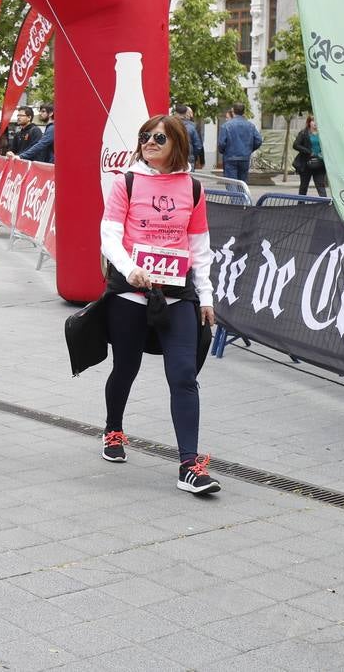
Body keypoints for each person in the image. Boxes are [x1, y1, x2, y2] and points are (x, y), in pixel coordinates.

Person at [100, 114, 220, 494]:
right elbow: (109, 234)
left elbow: (200, 248)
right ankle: (114, 429)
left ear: (177, 145)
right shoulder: (127, 181)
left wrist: (206, 296)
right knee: (126, 367)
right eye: (144, 137)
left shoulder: (193, 189)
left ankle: (189, 464)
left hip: (178, 292)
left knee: (184, 375)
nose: (149, 142)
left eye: (159, 138)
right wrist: (130, 268)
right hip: (131, 292)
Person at [217, 102, 262, 183]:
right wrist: (249, 150)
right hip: (244, 158)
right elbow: (258, 140)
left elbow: (221, 144)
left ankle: (235, 196)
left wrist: (224, 151)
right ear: (244, 112)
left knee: (231, 183)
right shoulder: (250, 125)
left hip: (230, 157)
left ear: (233, 111)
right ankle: (241, 196)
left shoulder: (226, 126)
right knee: (242, 184)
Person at [292, 115, 327, 197]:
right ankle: (300, 206)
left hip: (320, 164)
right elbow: (295, 145)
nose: (315, 123)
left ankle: (325, 206)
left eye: (317, 120)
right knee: (303, 187)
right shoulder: (304, 133)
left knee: (321, 186)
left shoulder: (323, 133)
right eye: (313, 120)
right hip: (306, 163)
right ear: (309, 122)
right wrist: (308, 152)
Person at [174, 104, 202, 170]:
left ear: (176, 113)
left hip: (174, 159)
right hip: (189, 159)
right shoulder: (192, 127)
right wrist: (192, 155)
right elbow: (198, 146)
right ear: (186, 113)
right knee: (188, 178)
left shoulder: (170, 125)